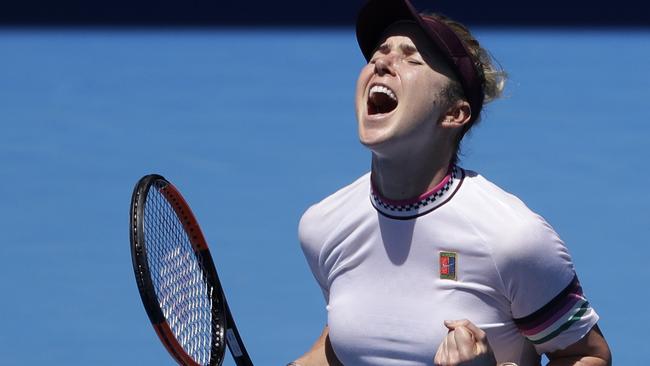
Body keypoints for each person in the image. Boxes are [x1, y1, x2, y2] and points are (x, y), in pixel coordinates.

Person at [290, 0, 612, 365]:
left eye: (411, 58)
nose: (381, 62)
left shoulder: (513, 239)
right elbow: (343, 342)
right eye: (379, 53)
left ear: (453, 113)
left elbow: (589, 357)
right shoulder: (323, 225)